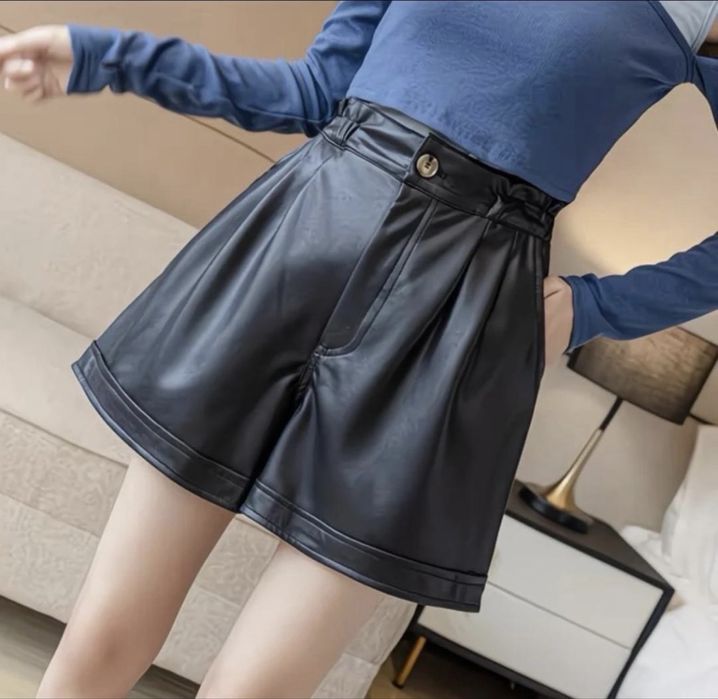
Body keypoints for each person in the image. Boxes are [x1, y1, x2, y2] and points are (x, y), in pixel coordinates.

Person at [0, 2, 716, 697]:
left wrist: (596, 308)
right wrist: (106, 57)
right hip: (290, 258)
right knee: (104, 634)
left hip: (452, 331)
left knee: (256, 690)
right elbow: (316, 90)